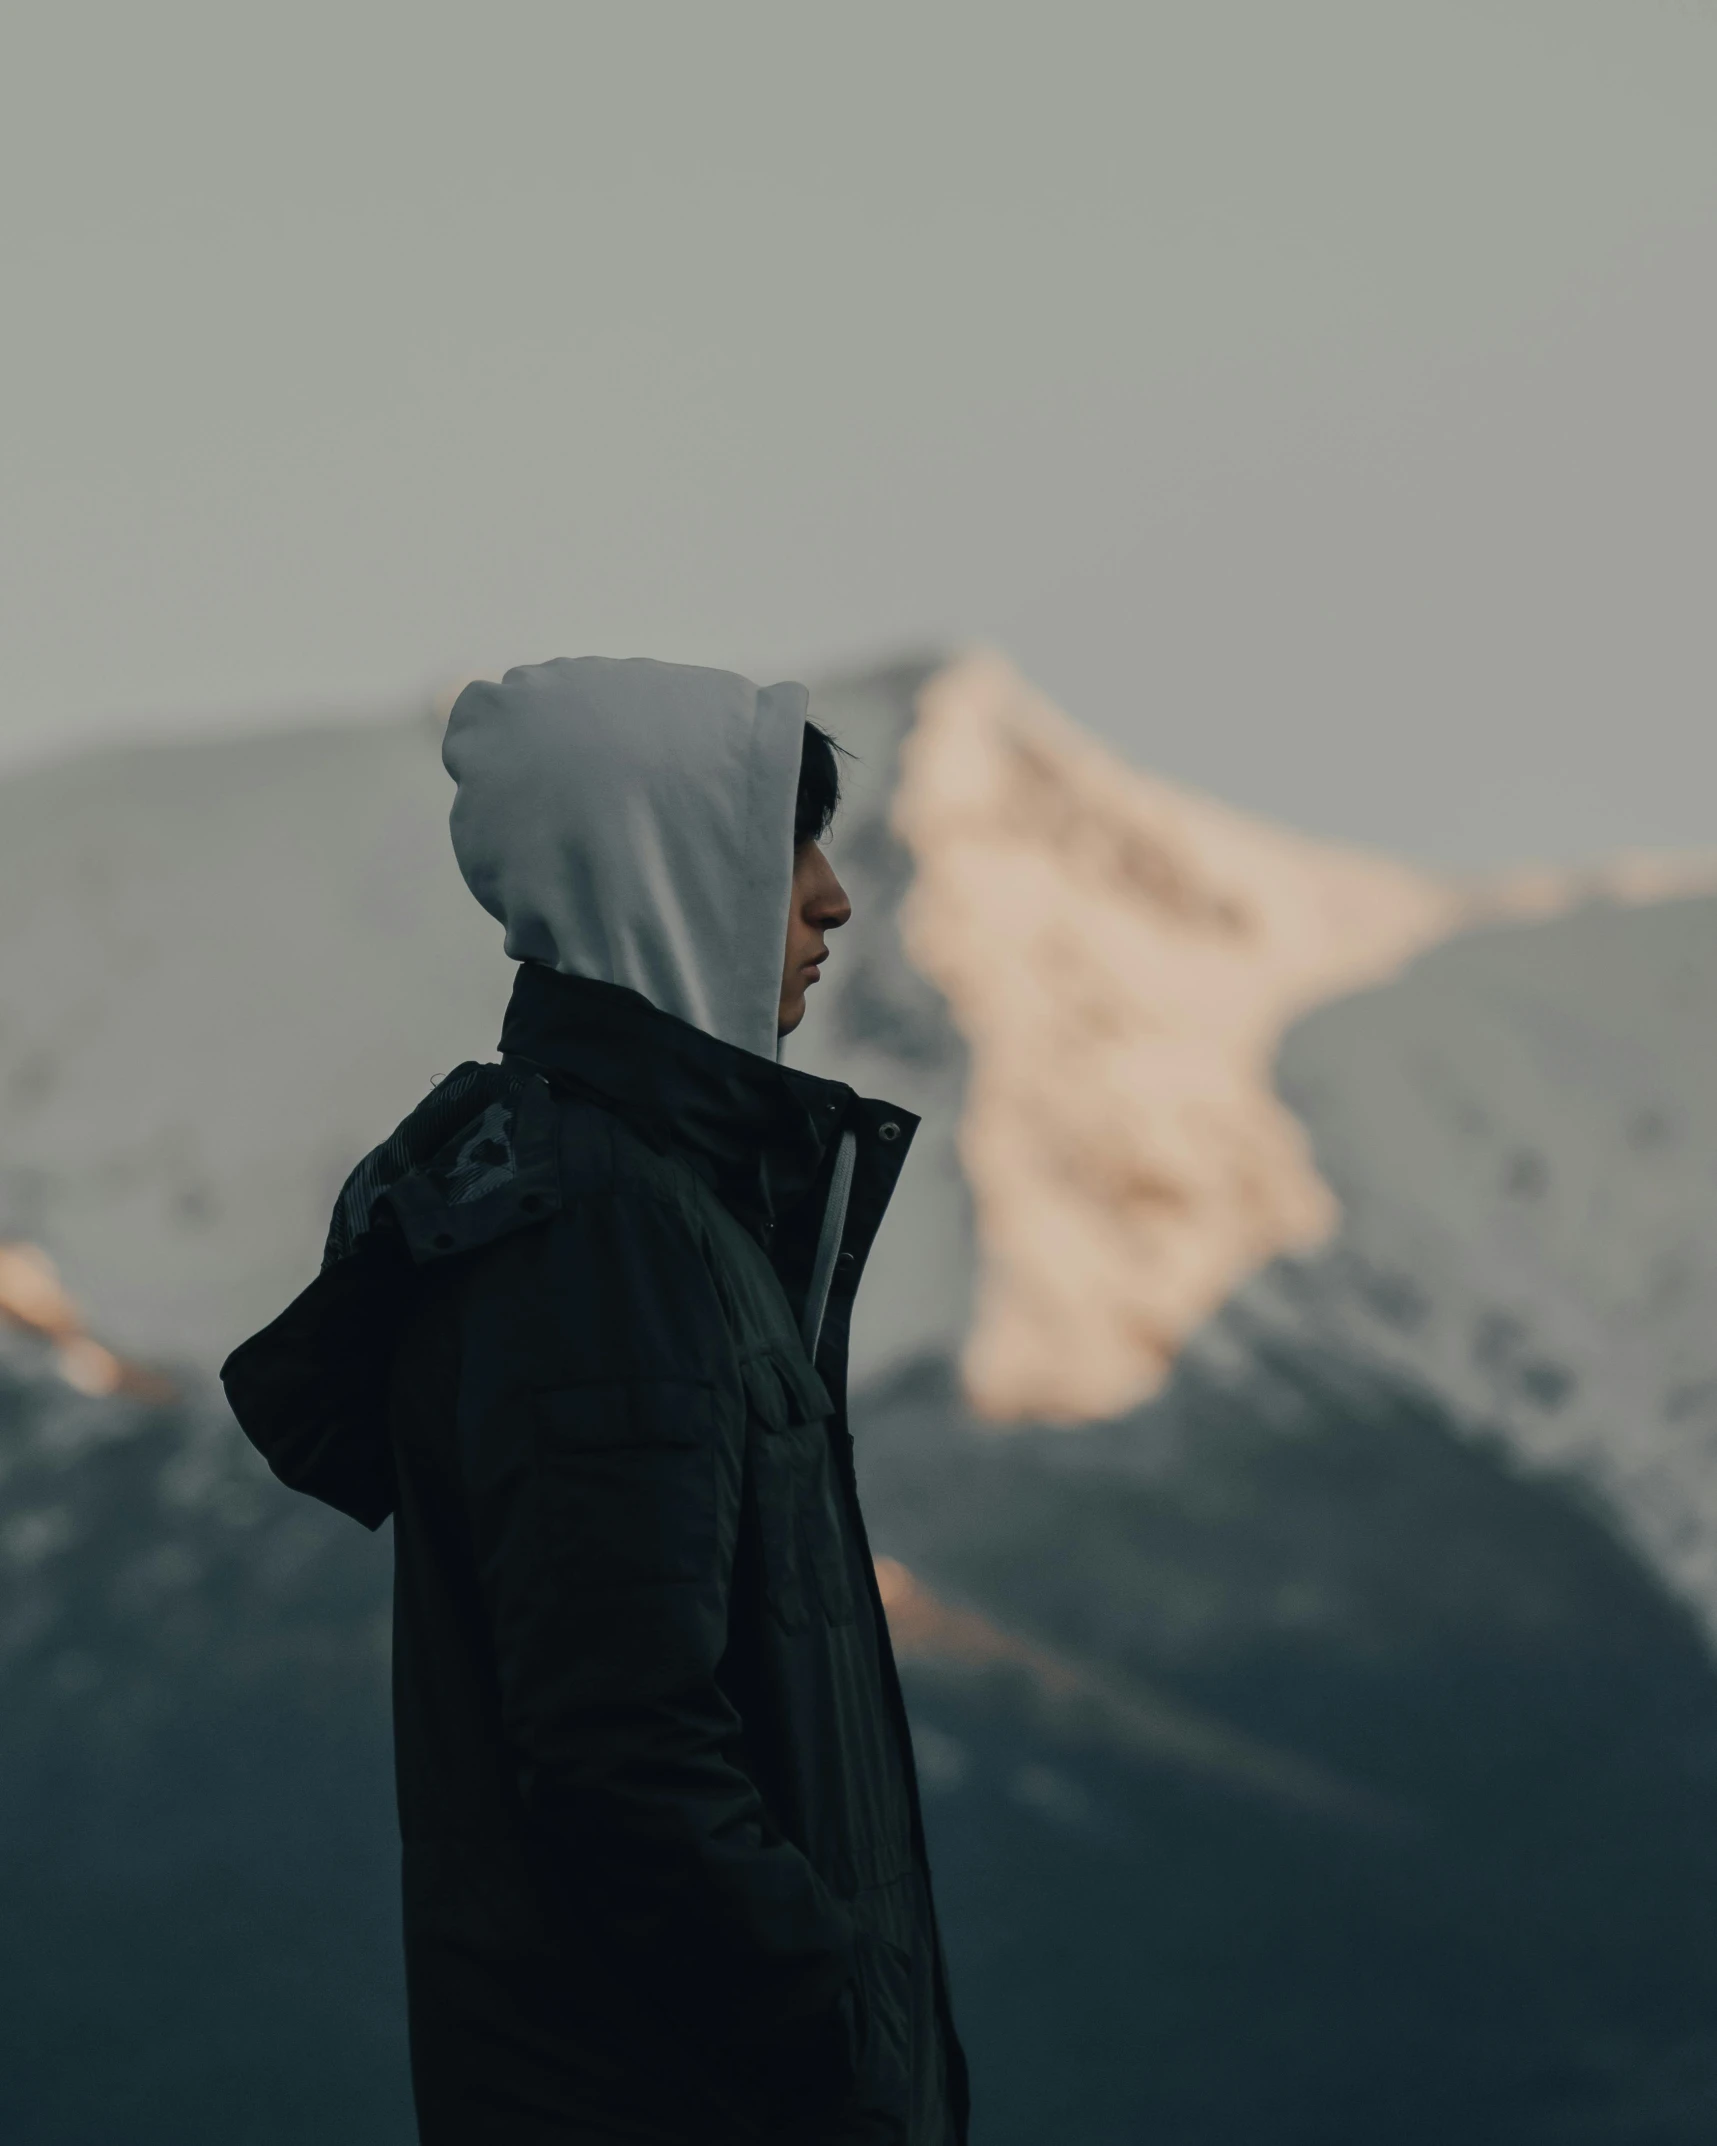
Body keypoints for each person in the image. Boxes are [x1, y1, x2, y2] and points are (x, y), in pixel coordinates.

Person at [221, 657, 969, 2146]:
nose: (829, 900)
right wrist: (855, 2062)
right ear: (665, 879)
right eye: (782, 847)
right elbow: (625, 1756)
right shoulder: (598, 1237)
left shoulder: (656, 1210)